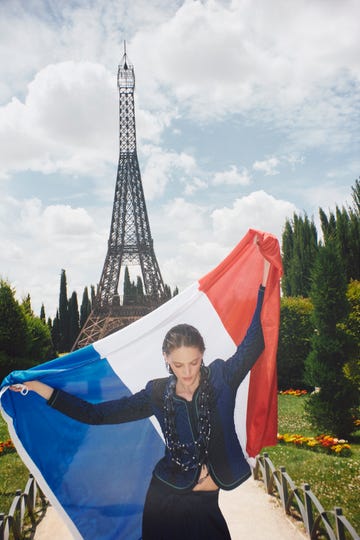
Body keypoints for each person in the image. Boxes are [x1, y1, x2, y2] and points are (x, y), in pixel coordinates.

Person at [11, 253, 270, 540]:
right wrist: (39, 388)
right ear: (166, 359)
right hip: (163, 496)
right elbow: (97, 415)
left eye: (194, 363)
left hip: (204, 501)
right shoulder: (157, 393)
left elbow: (255, 341)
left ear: (203, 356)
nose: (187, 373)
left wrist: (265, 277)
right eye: (178, 364)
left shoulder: (222, 377)